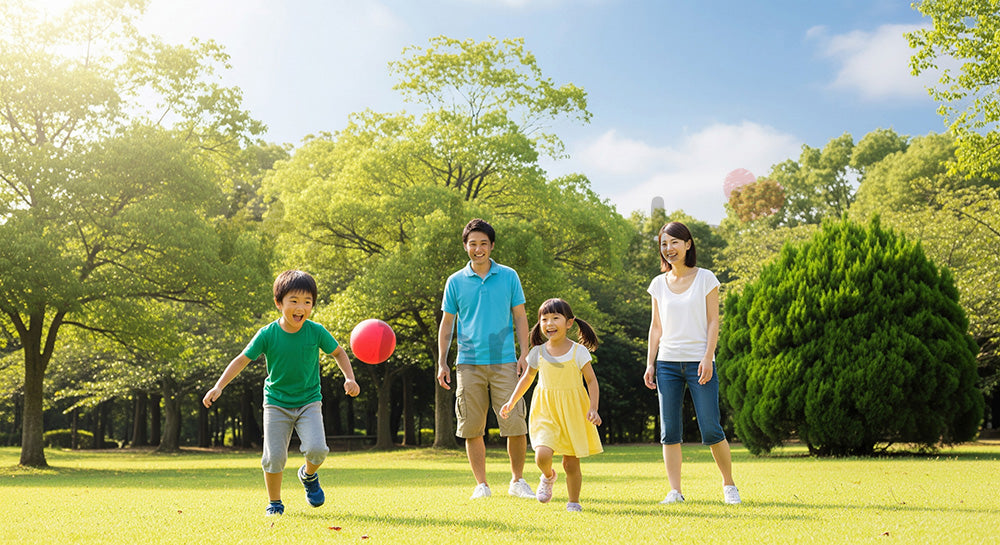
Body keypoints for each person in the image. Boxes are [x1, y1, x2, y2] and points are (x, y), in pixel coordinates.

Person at [203, 270, 360, 516]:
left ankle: (308, 476)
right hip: (276, 403)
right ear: (279, 303)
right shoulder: (267, 334)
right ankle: (274, 502)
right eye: (294, 301)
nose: (301, 307)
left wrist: (349, 378)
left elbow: (339, 352)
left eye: (307, 302)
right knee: (274, 456)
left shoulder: (316, 331)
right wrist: (219, 386)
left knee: (318, 449)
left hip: (309, 401)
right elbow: (242, 360)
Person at [642, 221, 741, 505]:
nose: (669, 248)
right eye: (664, 244)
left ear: (688, 244)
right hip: (667, 365)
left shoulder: (706, 278)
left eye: (674, 242)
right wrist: (651, 363)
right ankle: (675, 491)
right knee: (669, 430)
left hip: (700, 363)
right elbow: (655, 327)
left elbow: (713, 322)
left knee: (710, 427)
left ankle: (729, 485)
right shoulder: (658, 284)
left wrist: (708, 356)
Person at [437, 218, 536, 500]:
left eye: (483, 243)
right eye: (473, 244)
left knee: (515, 423)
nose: (478, 249)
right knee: (472, 426)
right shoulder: (455, 282)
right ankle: (481, 485)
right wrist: (442, 362)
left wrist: (524, 352)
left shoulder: (509, 276)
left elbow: (520, 316)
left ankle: (517, 481)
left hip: (504, 360)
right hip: (468, 363)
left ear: (491, 246)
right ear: (465, 247)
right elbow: (447, 324)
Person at [500, 298, 603, 512]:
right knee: (542, 454)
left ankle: (573, 502)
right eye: (544, 319)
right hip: (546, 410)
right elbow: (527, 378)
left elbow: (592, 381)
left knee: (571, 463)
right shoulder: (538, 352)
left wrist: (593, 408)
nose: (549, 323)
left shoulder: (578, 352)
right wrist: (512, 401)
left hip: (574, 411)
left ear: (569, 323)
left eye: (555, 318)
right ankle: (548, 476)